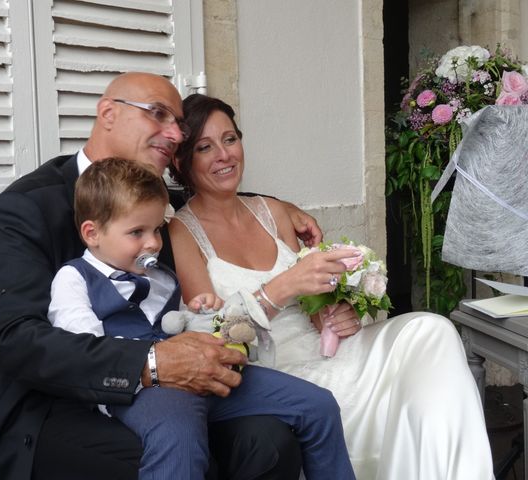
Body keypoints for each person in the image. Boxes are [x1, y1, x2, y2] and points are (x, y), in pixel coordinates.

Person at [0, 72, 331, 480]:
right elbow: (17, 342)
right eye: (158, 115)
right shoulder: (25, 207)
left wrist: (282, 208)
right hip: (49, 406)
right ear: (108, 112)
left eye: (178, 123)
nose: (175, 134)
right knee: (169, 451)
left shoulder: (167, 204)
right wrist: (151, 363)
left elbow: (221, 200)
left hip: (167, 390)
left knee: (269, 440)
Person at [168, 93, 495, 480]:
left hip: (330, 350)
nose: (224, 155)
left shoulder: (273, 212)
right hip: (276, 371)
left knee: (431, 329)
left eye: (230, 139)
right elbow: (215, 339)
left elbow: (312, 302)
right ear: (181, 160)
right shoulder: (181, 233)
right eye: (205, 147)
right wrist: (284, 285)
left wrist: (336, 312)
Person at [47, 157, 355, 479]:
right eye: (137, 232)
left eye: (156, 230)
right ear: (92, 233)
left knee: (317, 406)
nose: (153, 243)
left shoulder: (162, 277)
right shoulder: (74, 278)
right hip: (139, 391)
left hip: (202, 372)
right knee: (179, 439)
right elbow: (86, 352)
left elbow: (184, 326)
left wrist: (203, 313)